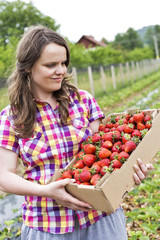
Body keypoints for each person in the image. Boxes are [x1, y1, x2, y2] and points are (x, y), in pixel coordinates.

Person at [0, 25, 153, 240]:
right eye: (50, 65)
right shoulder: (12, 117)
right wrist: (47, 191)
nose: (61, 70)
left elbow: (107, 154)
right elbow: (4, 176)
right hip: (47, 224)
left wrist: (131, 172)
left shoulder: (83, 101)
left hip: (100, 217)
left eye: (63, 63)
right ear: (28, 67)